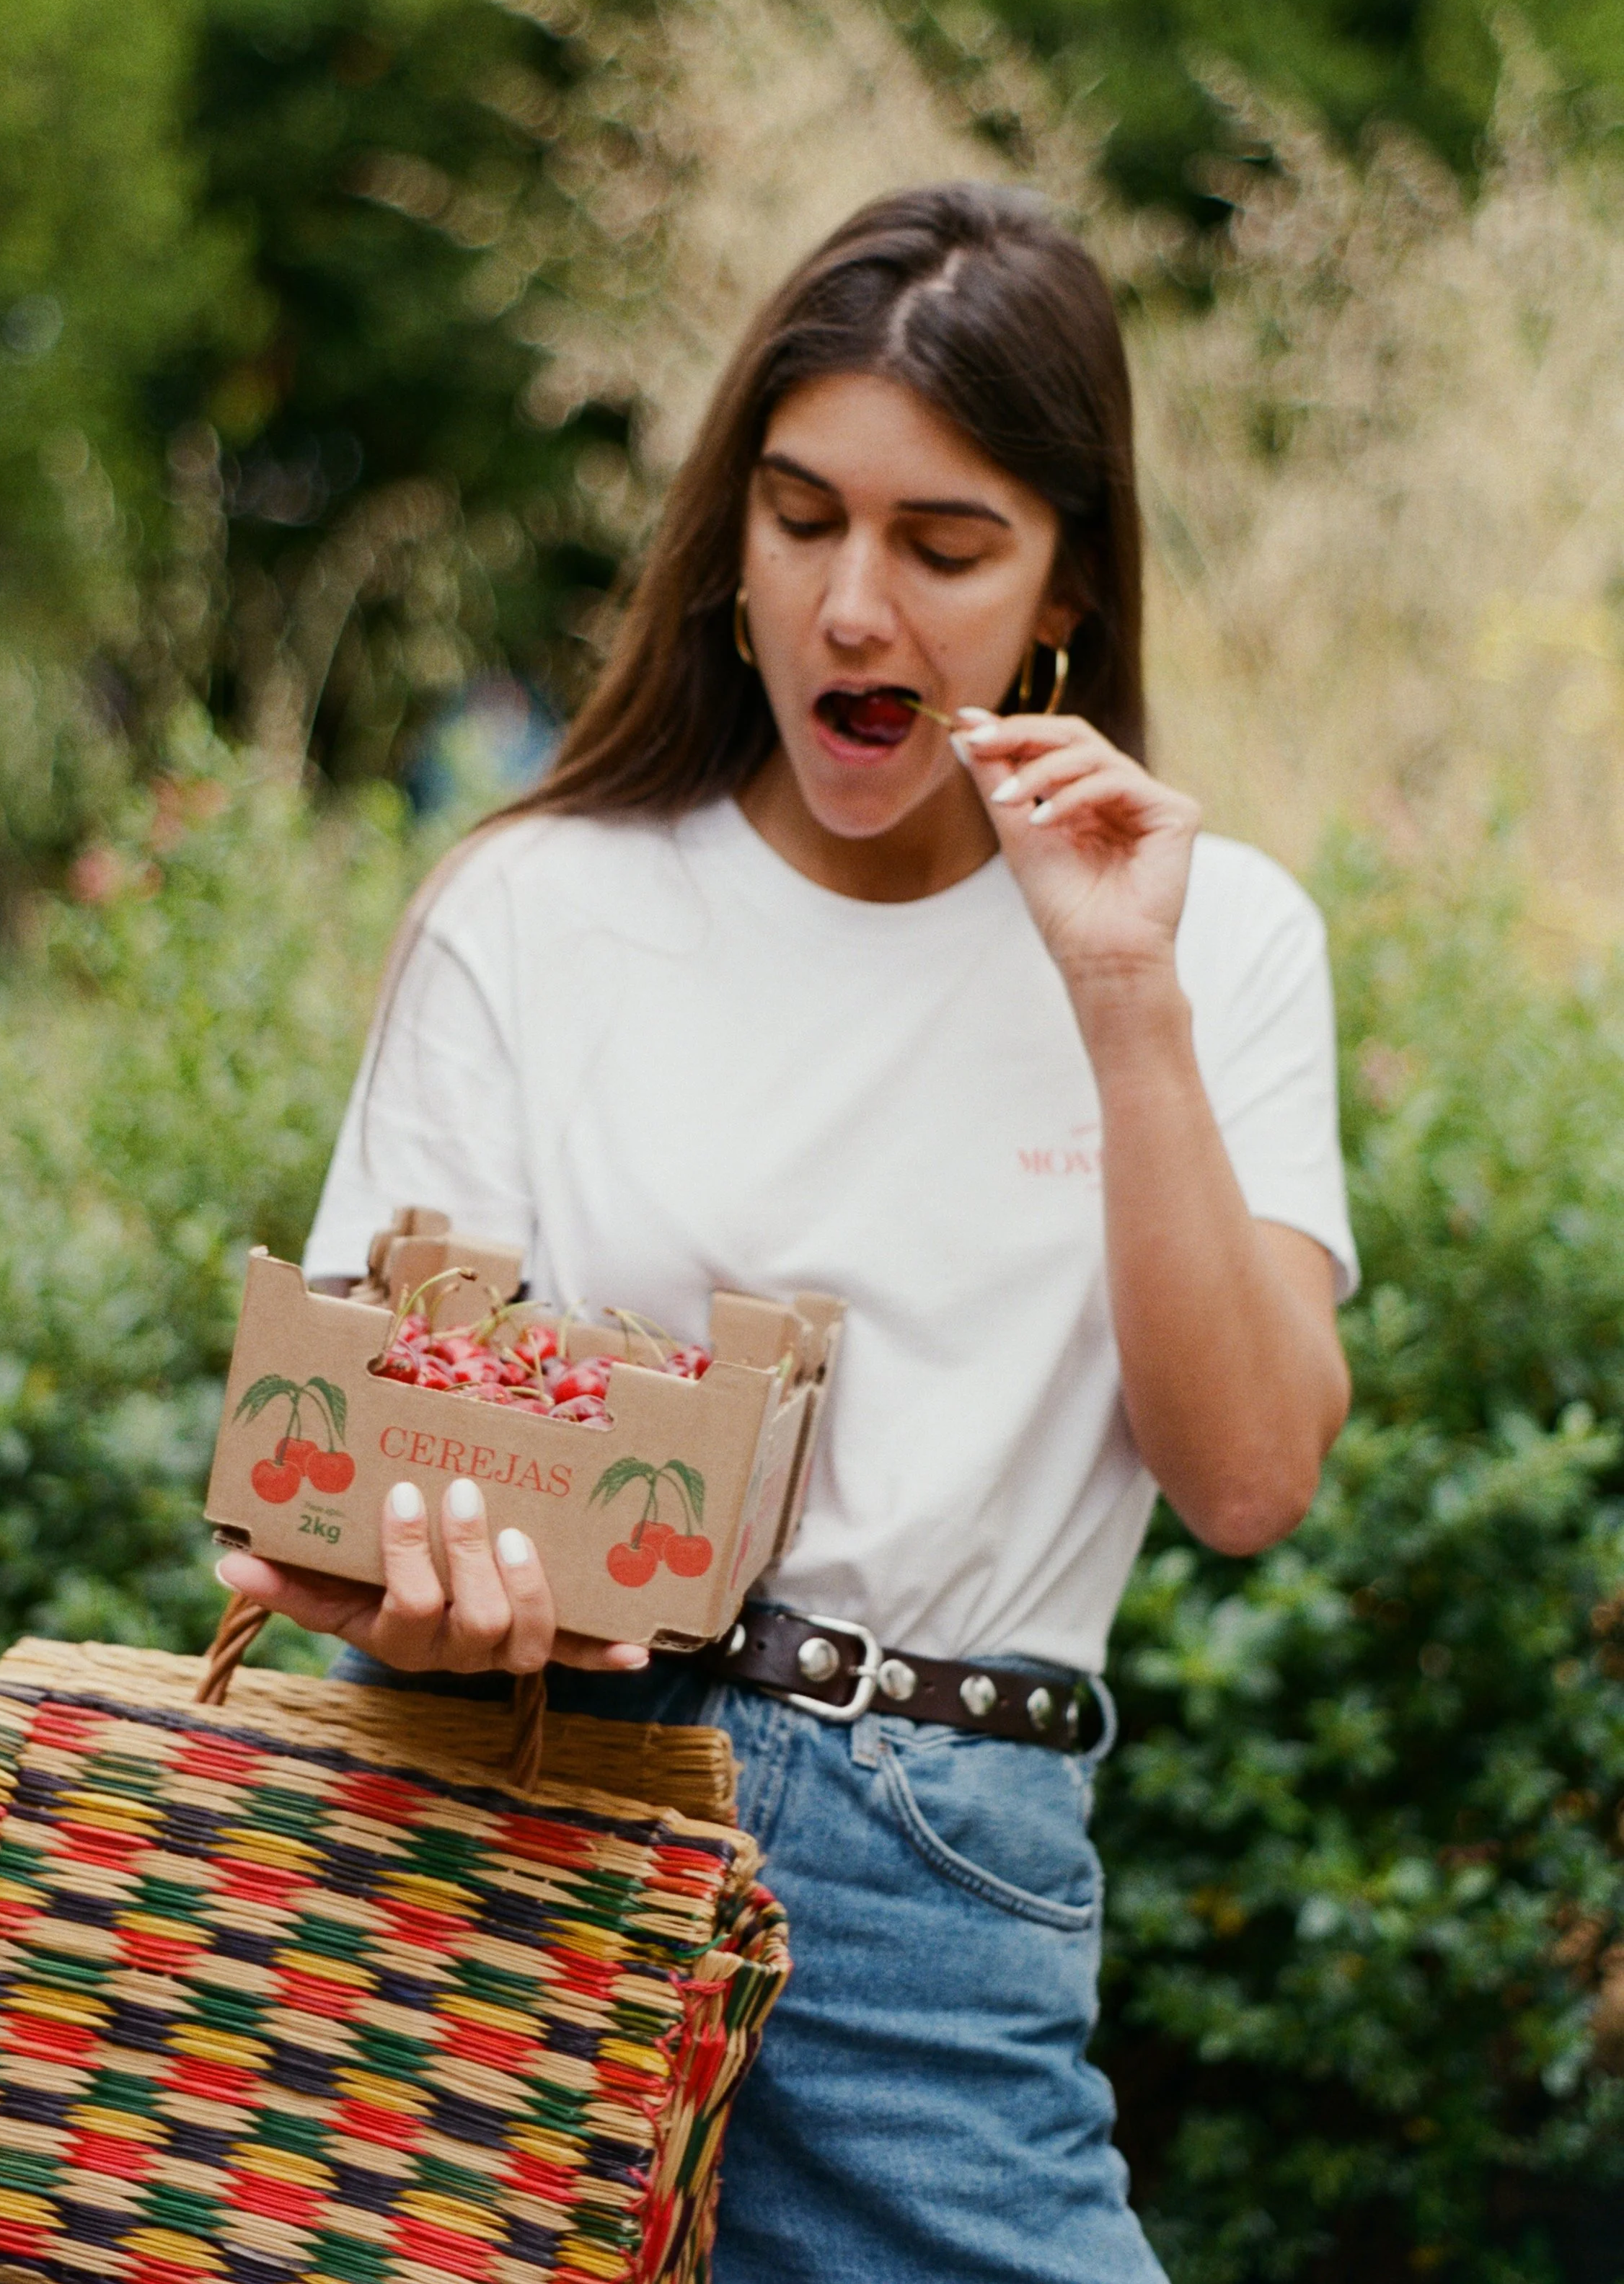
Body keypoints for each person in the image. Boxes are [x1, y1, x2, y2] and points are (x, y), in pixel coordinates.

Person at [216, 183, 1357, 2284]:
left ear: (1064, 589)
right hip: (521, 1822)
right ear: (724, 538)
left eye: (943, 549)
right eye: (800, 517)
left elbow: (1251, 1472)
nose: (852, 608)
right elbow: (346, 1465)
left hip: (938, 1892)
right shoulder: (541, 910)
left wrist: (1119, 995)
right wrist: (421, 1591)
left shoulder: (1215, 939)